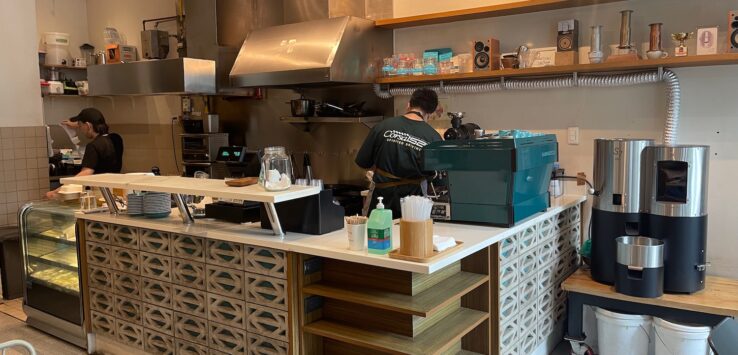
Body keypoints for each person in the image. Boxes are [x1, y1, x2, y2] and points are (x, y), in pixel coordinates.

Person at [355, 88, 443, 218]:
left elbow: (362, 161)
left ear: (408, 105)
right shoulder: (434, 138)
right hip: (413, 204)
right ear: (430, 113)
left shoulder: (382, 126)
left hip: (381, 199)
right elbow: (433, 175)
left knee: (378, 235)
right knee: (412, 235)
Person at [46, 108, 122, 199]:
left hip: (99, 194)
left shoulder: (93, 146)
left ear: (88, 125)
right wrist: (78, 124)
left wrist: (57, 190)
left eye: (80, 126)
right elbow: (94, 123)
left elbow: (85, 174)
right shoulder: (116, 139)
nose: (80, 129)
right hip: (115, 192)